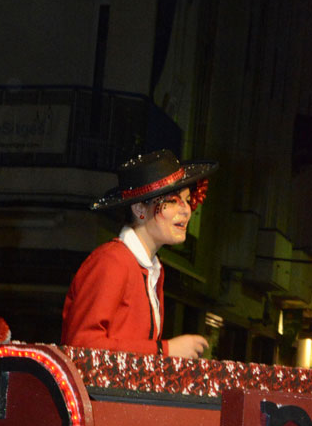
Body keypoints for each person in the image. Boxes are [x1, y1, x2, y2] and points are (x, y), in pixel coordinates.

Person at [61, 148, 217, 358]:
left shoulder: (151, 269)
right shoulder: (112, 261)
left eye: (187, 200)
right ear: (139, 209)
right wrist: (164, 350)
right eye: (172, 201)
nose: (186, 210)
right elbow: (81, 346)